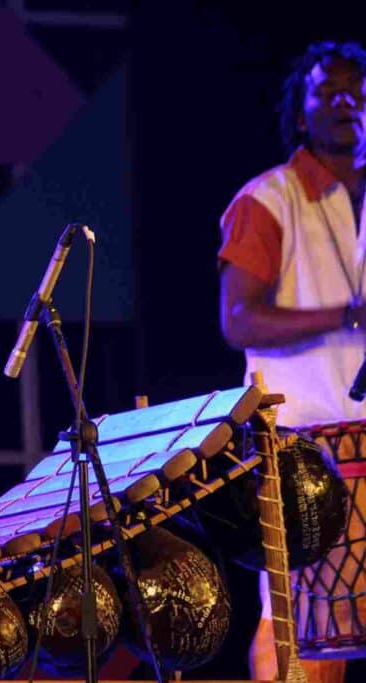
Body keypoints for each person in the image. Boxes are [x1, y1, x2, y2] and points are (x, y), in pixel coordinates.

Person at [218, 41, 366, 683]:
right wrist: (348, 316)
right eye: (327, 90)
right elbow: (238, 318)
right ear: (300, 114)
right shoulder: (269, 199)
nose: (346, 100)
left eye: (359, 90)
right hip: (306, 447)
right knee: (307, 627)